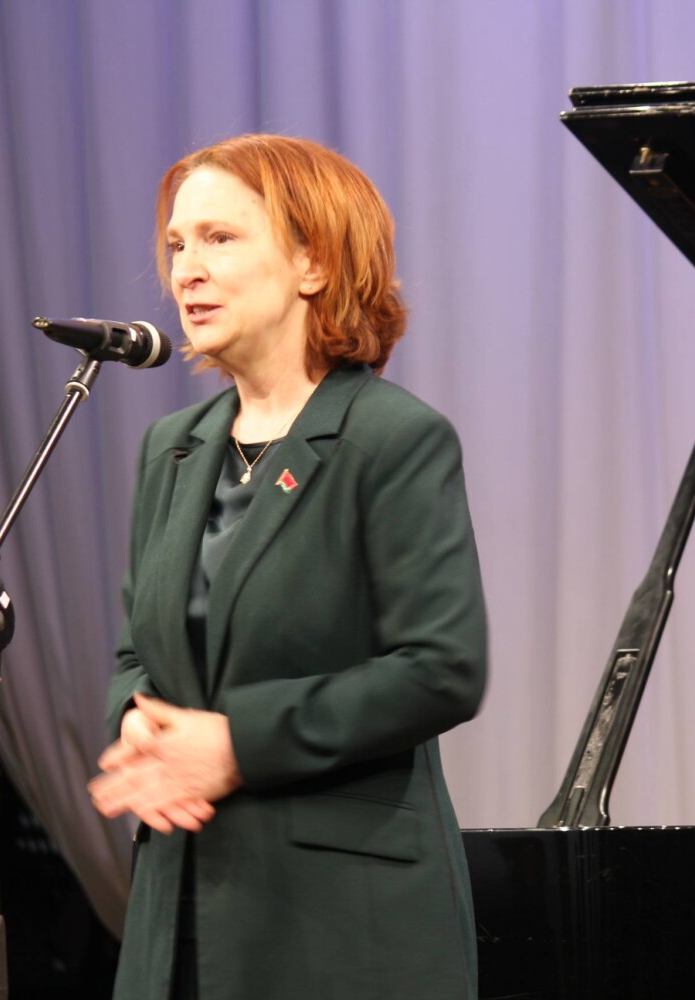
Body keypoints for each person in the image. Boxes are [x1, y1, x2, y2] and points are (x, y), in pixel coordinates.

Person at [89, 135, 488, 1000]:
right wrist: (136, 721)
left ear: (314, 262)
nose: (186, 270)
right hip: (179, 910)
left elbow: (441, 670)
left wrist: (238, 743)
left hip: (340, 923)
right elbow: (138, 652)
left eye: (220, 238)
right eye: (177, 245)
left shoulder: (392, 439)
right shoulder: (172, 448)